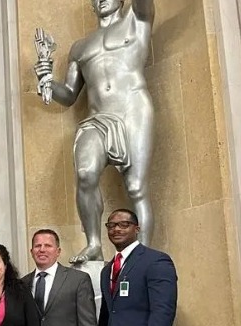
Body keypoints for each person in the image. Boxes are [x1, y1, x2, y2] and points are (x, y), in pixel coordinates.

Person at [34, 0, 155, 264]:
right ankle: (94, 244)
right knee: (85, 173)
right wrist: (47, 82)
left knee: (136, 188)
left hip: (132, 109)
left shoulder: (136, 20)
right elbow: (69, 95)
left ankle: (142, 256)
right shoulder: (80, 47)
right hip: (97, 117)